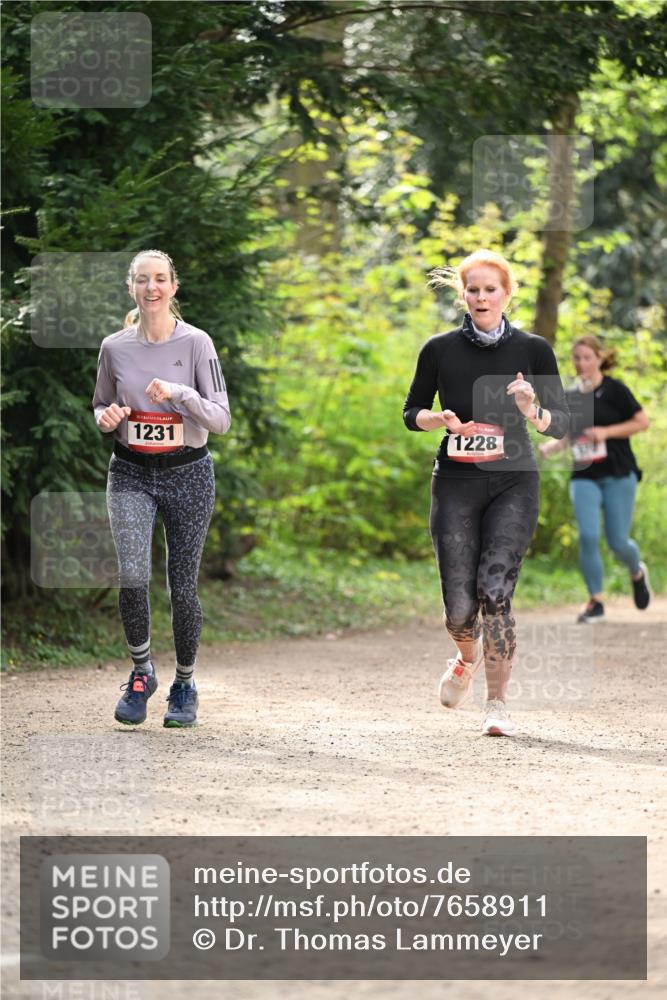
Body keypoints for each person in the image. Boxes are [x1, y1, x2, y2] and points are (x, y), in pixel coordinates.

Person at [403, 249, 569, 736]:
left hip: (514, 481)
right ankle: (464, 657)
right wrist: (438, 419)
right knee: (459, 608)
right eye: (472, 289)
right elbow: (412, 411)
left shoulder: (533, 350)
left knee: (496, 592)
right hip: (455, 482)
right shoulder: (438, 349)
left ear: (506, 294)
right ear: (463, 294)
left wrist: (530, 407)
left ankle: (497, 704)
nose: (480, 297)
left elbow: (560, 421)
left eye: (489, 289)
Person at [92, 249, 231, 727]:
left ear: (173, 287)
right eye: (142, 280)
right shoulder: (114, 347)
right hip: (129, 470)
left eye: (160, 279)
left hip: (187, 471)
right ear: (131, 288)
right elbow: (101, 406)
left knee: (182, 584)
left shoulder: (196, 344)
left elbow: (221, 418)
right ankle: (140, 673)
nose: (151, 288)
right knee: (132, 574)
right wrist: (106, 417)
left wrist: (179, 393)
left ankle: (185, 683)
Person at [539, 335, 650, 623]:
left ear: (600, 359)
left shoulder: (615, 390)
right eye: (577, 358)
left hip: (617, 473)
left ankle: (636, 570)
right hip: (584, 474)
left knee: (617, 542)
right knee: (588, 536)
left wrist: (606, 432)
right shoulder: (571, 396)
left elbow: (642, 422)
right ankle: (596, 601)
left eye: (587, 358)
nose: (582, 364)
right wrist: (552, 446)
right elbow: (570, 433)